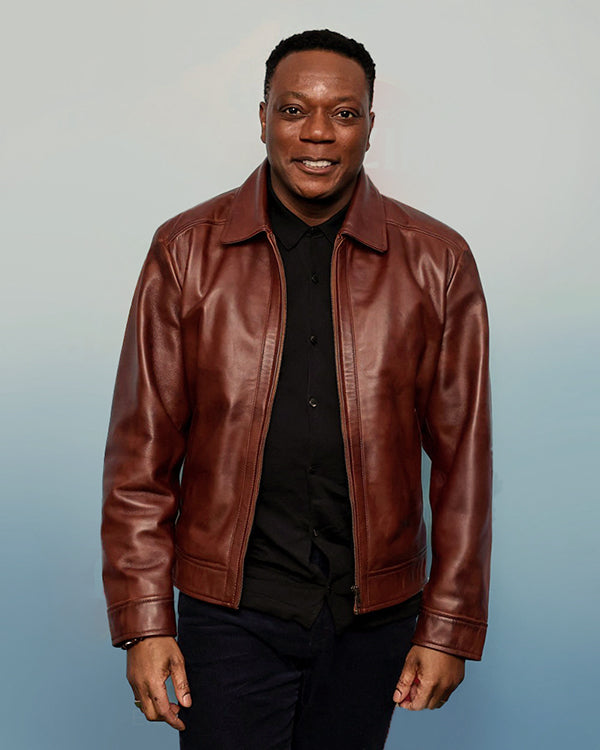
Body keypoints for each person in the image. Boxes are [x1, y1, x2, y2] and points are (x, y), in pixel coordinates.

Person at [101, 29, 492, 750]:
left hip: (375, 618)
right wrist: (144, 622)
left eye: (343, 113)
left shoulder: (438, 262)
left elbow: (464, 464)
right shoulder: (185, 252)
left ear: (370, 125)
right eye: (293, 110)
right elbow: (139, 458)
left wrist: (449, 627)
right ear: (263, 119)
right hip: (229, 613)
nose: (317, 132)